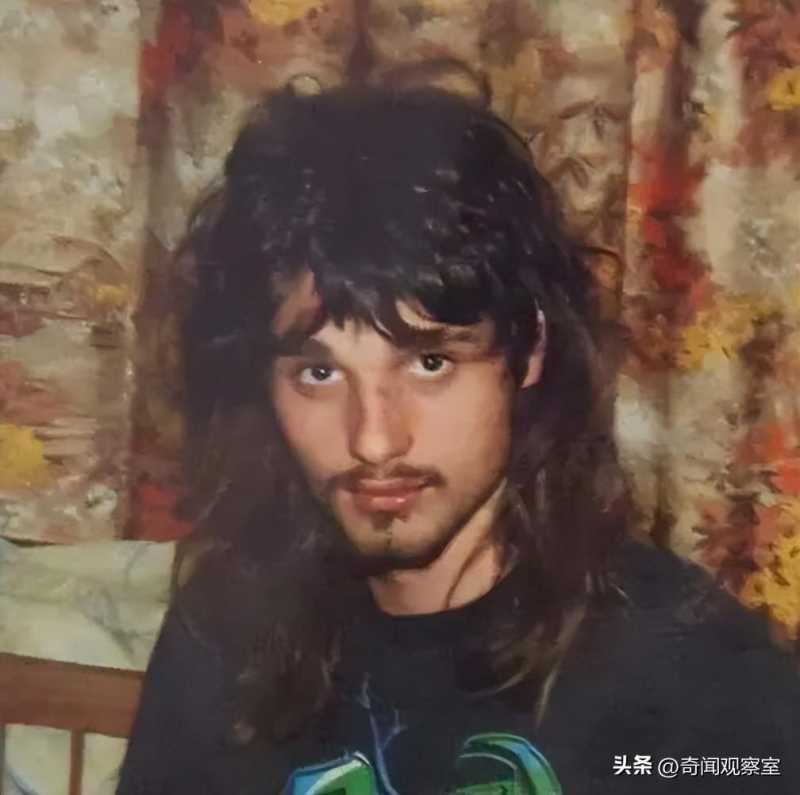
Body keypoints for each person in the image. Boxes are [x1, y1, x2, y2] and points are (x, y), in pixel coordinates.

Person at [118, 86, 799, 795]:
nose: (373, 440)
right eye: (320, 373)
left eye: (430, 362)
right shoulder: (225, 633)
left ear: (528, 350)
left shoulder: (692, 678)